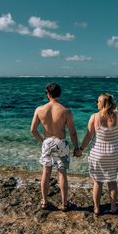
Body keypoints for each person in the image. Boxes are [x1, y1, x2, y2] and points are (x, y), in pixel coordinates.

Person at [30, 82, 79, 211]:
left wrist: (43, 141)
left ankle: (45, 202)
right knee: (62, 173)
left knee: (46, 173)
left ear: (48, 94)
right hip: (60, 142)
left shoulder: (39, 109)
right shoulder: (65, 111)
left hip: (47, 141)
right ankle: (64, 204)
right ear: (59, 94)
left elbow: (33, 130)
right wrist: (77, 147)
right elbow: (73, 132)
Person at [78, 93, 118, 215]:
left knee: (98, 182)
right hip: (115, 153)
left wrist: (81, 149)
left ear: (103, 103)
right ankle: (113, 207)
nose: (96, 103)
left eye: (98, 101)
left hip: (98, 154)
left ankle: (96, 208)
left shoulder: (94, 117)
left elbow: (88, 136)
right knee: (112, 181)